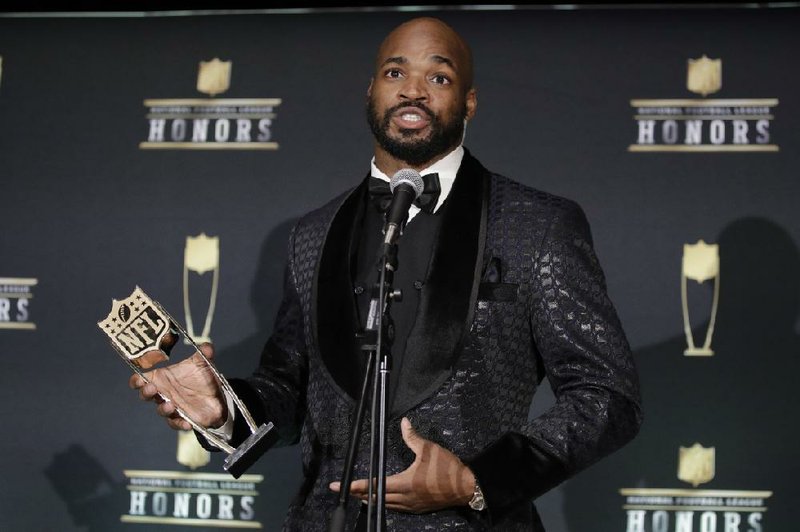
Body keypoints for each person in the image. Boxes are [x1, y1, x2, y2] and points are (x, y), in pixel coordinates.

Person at [130, 16, 642, 531]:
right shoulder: (311, 234)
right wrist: (223, 408)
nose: (414, 90)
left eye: (439, 77)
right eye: (396, 73)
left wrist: (477, 479)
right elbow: (288, 389)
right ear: (372, 90)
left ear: (469, 102)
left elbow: (605, 393)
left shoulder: (538, 224)